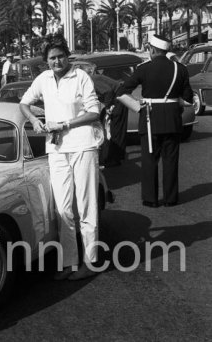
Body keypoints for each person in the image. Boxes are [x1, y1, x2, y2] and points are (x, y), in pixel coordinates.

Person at [19, 33, 101, 281]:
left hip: (83, 145)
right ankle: (69, 262)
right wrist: (34, 120)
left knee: (86, 205)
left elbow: (94, 112)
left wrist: (65, 124)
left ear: (68, 57)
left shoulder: (81, 77)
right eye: (52, 58)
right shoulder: (43, 79)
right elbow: (24, 103)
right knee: (63, 207)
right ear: (46, 61)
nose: (57, 61)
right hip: (55, 149)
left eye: (61, 56)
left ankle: (91, 261)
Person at [116, 34, 193, 207]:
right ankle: (170, 198)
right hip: (172, 119)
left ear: (152, 49)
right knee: (171, 161)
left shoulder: (143, 68)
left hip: (150, 119)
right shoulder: (180, 68)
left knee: (149, 161)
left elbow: (121, 92)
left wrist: (137, 106)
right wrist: (175, 103)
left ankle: (150, 199)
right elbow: (188, 99)